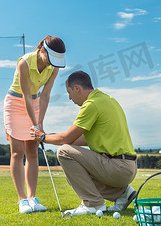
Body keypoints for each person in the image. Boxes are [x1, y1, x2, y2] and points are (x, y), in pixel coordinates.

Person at [30, 70, 137, 216]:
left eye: (69, 92)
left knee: (64, 152)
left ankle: (93, 204)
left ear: (77, 88)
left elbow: (66, 140)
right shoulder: (107, 100)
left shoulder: (91, 104)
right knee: (74, 165)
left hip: (117, 168)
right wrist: (50, 137)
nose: (69, 97)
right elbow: (78, 140)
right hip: (126, 167)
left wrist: (42, 137)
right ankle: (122, 194)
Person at [4, 35, 66, 214]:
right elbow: (25, 96)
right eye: (49, 58)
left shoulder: (54, 67)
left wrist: (40, 123)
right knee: (18, 152)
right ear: (42, 51)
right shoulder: (24, 63)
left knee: (32, 151)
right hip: (15, 103)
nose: (50, 64)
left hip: (36, 102)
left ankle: (32, 197)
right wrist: (34, 124)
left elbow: (45, 95)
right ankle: (22, 200)